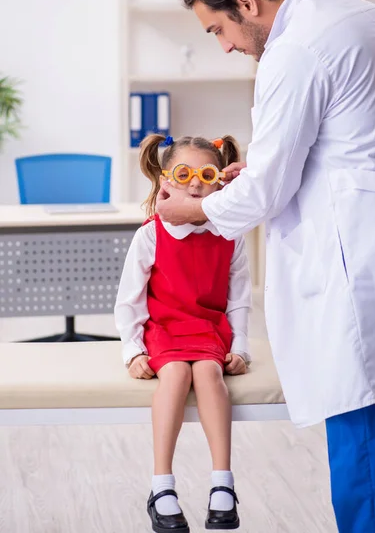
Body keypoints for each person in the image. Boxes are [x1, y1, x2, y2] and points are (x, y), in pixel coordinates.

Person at [155, 0, 375, 532]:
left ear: (247, 3)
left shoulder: (295, 51)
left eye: (218, 30)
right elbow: (351, 139)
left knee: (366, 454)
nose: (226, 47)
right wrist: (259, 168)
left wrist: (197, 212)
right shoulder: (363, 16)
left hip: (357, 267)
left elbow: (268, 191)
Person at [114, 133, 252, 533]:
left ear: (220, 180)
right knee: (174, 373)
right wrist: (132, 351)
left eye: (206, 175)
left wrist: (240, 346)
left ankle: (222, 484)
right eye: (184, 174)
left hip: (207, 328)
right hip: (164, 327)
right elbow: (130, 300)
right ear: (166, 180)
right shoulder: (151, 234)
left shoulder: (230, 236)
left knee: (209, 374)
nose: (195, 184)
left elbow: (239, 299)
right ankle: (162, 487)